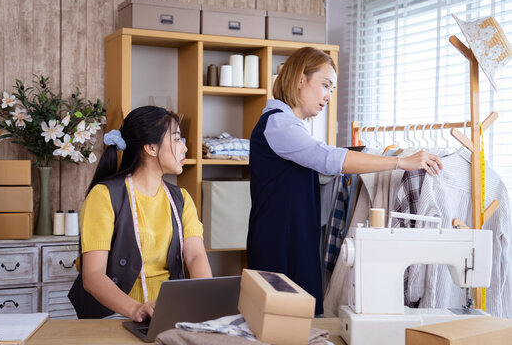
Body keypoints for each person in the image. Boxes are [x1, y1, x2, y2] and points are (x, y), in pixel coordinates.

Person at [247, 47, 443, 315]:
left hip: (291, 236)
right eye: (325, 85)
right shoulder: (279, 124)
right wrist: (399, 162)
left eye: (332, 89)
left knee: (293, 323)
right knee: (280, 323)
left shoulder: (289, 125)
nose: (328, 96)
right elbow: (329, 158)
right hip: (278, 241)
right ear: (300, 80)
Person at [69, 106, 212, 321]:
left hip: (168, 312)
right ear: (151, 148)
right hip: (116, 313)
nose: (184, 148)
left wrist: (207, 299)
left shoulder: (181, 198)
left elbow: (195, 255)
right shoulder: (104, 196)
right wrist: (136, 309)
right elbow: (93, 275)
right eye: (177, 139)